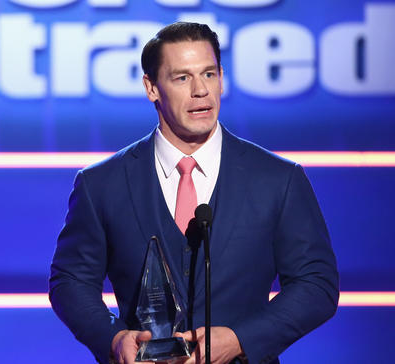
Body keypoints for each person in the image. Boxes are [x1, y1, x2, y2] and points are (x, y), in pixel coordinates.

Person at [49, 22, 339, 364]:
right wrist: (113, 338)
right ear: (151, 88)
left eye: (210, 74)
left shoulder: (278, 179)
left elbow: (316, 283)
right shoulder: (102, 184)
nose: (201, 90)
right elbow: (71, 280)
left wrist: (240, 339)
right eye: (182, 78)